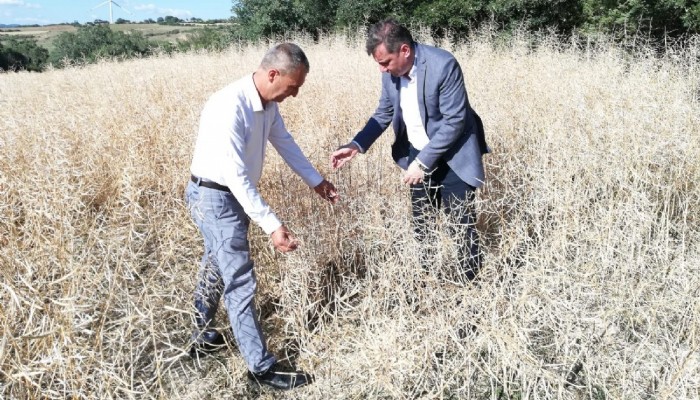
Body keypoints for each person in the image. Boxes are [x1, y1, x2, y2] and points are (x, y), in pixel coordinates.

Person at [185, 42, 339, 391]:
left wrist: (316, 181)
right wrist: (272, 225)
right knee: (239, 280)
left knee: (215, 265)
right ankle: (261, 368)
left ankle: (198, 334)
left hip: (228, 196)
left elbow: (284, 142)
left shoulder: (267, 103)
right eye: (292, 87)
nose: (294, 95)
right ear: (273, 74)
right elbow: (236, 176)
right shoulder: (229, 106)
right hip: (214, 197)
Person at [331, 19, 489, 281]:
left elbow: (455, 122)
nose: (382, 70)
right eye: (379, 64)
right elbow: (384, 112)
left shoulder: (443, 65)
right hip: (417, 154)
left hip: (453, 156)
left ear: (405, 50)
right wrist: (356, 145)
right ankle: (427, 280)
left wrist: (423, 163)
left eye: (385, 62)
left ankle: (469, 286)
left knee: (461, 226)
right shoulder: (391, 74)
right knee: (422, 223)